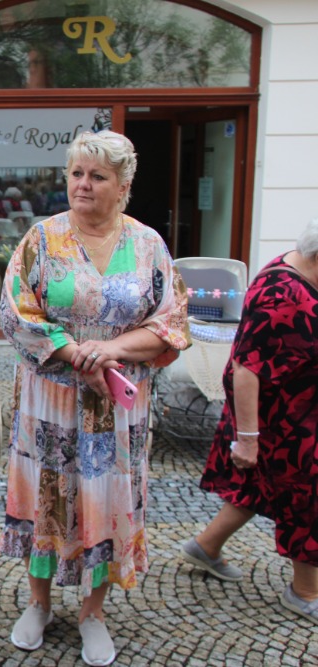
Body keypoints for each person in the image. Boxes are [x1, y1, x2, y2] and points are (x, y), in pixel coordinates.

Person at [0, 130, 190, 666]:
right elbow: (15, 312)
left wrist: (110, 350)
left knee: (108, 498)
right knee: (48, 494)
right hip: (51, 399)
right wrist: (74, 353)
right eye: (76, 174)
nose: (83, 184)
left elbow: (172, 322)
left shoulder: (148, 245)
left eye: (97, 176)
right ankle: (38, 602)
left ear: (123, 185)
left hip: (117, 407)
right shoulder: (41, 239)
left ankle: (93, 612)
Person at [181, 218, 318, 623]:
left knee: (255, 488)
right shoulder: (282, 292)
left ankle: (205, 547)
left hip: (298, 414)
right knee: (308, 502)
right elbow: (245, 368)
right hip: (283, 424)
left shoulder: (304, 273)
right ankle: (305, 591)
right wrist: (248, 439)